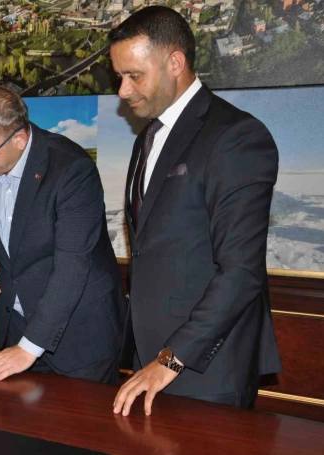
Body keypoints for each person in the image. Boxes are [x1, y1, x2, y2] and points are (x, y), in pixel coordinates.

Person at [109, 6, 282, 416]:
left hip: (207, 370)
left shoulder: (236, 136)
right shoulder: (148, 137)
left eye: (134, 75)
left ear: (175, 63)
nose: (123, 91)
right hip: (149, 360)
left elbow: (241, 273)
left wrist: (170, 360)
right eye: (119, 77)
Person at [0, 85, 126, 383]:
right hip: (16, 326)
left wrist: (28, 348)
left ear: (19, 139)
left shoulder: (71, 169)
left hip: (80, 336)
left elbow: (73, 266)